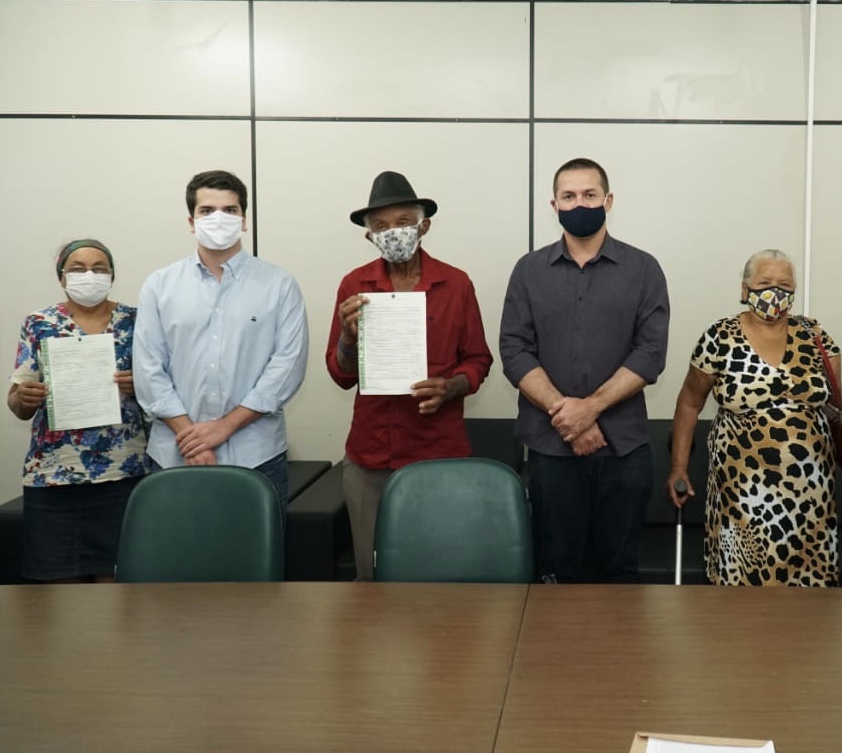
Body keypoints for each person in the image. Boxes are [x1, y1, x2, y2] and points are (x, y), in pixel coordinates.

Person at [500, 157, 669, 584]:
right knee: (556, 573)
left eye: (590, 195)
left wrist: (590, 408)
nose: (580, 204)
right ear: (554, 205)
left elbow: (650, 353)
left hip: (624, 451)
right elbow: (514, 350)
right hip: (550, 450)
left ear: (608, 201)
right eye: (569, 196)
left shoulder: (643, 269)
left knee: (620, 575)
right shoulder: (528, 271)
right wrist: (569, 417)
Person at [327, 171, 493, 581]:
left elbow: (478, 360)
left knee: (442, 573)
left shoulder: (456, 283)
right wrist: (348, 339)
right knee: (372, 577)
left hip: (439, 454)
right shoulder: (354, 285)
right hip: (370, 458)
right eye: (381, 226)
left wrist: (451, 387)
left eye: (403, 221)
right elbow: (341, 375)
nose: (393, 232)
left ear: (424, 226)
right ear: (369, 236)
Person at [133, 170, 308, 513]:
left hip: (257, 456)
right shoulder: (159, 285)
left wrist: (224, 427)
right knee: (172, 548)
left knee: (256, 548)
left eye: (230, 210)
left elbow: (287, 366)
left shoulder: (279, 284)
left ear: (244, 220)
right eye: (207, 210)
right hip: (175, 454)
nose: (219, 218)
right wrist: (193, 438)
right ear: (191, 221)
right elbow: (148, 368)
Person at [666, 249, 840, 586]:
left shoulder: (815, 334)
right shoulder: (720, 336)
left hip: (809, 497)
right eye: (765, 283)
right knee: (742, 588)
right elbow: (689, 403)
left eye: (784, 285)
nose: (775, 292)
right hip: (742, 493)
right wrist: (678, 468)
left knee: (810, 594)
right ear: (745, 289)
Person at [8, 239, 150, 582]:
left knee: (117, 586)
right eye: (78, 268)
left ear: (111, 275)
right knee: (59, 590)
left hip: (123, 474)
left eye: (99, 268)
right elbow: (17, 401)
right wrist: (24, 398)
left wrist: (142, 386)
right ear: (62, 277)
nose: (89, 275)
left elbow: (163, 391)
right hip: (54, 474)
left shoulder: (137, 321)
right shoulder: (39, 323)